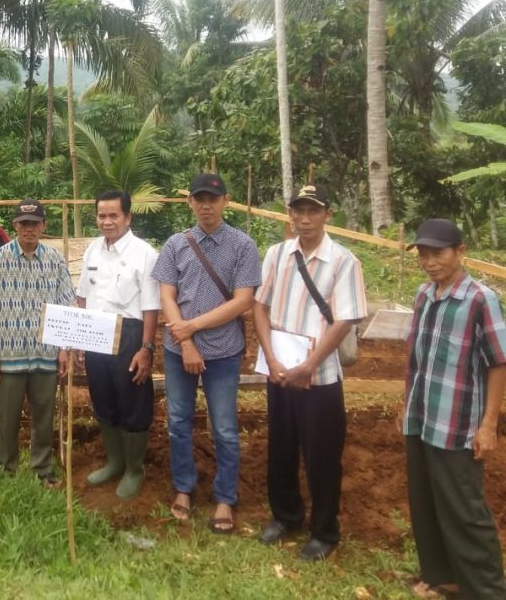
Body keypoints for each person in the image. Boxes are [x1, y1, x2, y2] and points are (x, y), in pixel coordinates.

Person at [253, 183, 367, 561]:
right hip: (281, 371)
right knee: (281, 448)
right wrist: (270, 357)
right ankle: (286, 516)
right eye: (298, 211)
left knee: (321, 456)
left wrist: (309, 365)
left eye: (313, 211)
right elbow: (260, 307)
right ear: (290, 214)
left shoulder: (343, 261)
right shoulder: (277, 254)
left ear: (326, 215)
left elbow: (345, 319)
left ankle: (324, 531)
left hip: (319, 379)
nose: (304, 218)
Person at [402, 219, 506, 599]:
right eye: (424, 254)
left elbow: (499, 362)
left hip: (458, 424)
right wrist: (405, 405)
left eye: (438, 253)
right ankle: (442, 577)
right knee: (426, 502)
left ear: (460, 252)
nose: (430, 262)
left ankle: (488, 590)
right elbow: (415, 357)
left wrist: (489, 424)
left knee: (465, 511)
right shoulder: (423, 295)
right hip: (421, 418)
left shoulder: (480, 299)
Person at [151, 173, 261, 532]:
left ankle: (225, 496)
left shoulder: (243, 246)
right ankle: (184, 488)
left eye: (212, 199)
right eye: (199, 199)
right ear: (190, 203)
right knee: (179, 422)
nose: (206, 205)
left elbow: (244, 301)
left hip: (223, 352)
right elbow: (166, 295)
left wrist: (192, 328)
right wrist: (184, 342)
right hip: (177, 350)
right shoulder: (175, 244)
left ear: (225, 201)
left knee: (226, 428)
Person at [0, 199, 75, 485]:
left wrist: (64, 350)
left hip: (45, 352)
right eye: (23, 223)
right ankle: (6, 466)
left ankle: (42, 467)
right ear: (15, 226)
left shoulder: (55, 261)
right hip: (9, 353)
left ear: (43, 225)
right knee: (7, 415)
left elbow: (66, 305)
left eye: (35, 223)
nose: (29, 229)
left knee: (44, 414)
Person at [77, 190, 161, 500]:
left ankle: (134, 469)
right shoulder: (92, 252)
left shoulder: (144, 254)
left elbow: (151, 306)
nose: (107, 221)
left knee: (133, 402)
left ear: (127, 217)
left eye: (114, 215)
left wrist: (146, 349)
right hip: (97, 331)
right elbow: (83, 295)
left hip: (130, 333)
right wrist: (81, 341)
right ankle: (115, 461)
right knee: (104, 398)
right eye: (102, 215)